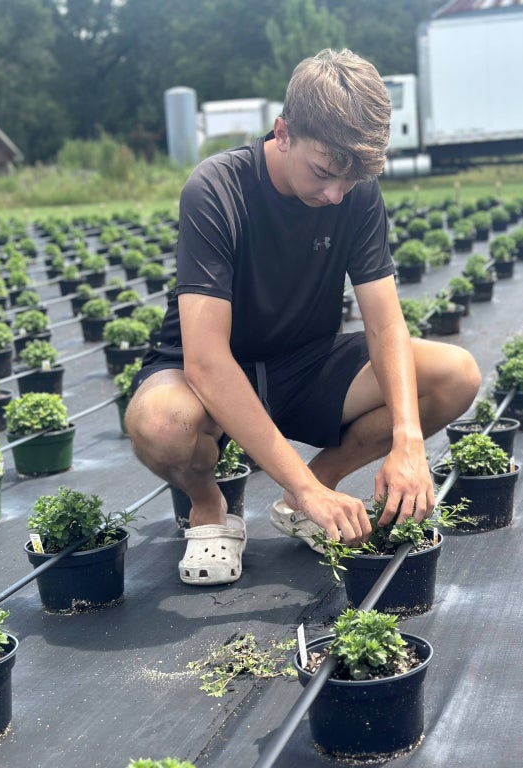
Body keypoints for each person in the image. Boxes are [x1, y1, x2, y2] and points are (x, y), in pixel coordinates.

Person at [125, 48, 480, 586]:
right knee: (160, 424)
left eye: (350, 180)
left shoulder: (355, 195)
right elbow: (205, 361)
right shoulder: (217, 189)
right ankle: (208, 504)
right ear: (283, 132)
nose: (335, 194)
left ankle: (308, 491)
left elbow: (386, 325)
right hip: (211, 373)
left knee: (456, 375)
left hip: (307, 363)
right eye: (323, 172)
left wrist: (410, 441)